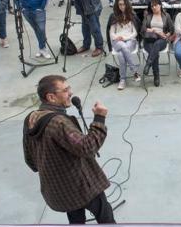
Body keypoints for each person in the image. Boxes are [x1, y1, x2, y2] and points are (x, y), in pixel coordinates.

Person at [23, 75, 115, 224]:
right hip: (81, 186)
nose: (71, 93)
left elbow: (31, 160)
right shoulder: (59, 123)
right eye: (65, 90)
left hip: (60, 190)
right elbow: (87, 147)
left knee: (75, 219)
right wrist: (99, 118)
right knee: (105, 215)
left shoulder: (31, 118)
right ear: (51, 97)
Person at [106, 0, 140, 90]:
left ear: (127, 5)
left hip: (130, 40)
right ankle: (134, 71)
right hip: (117, 41)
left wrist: (125, 38)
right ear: (117, 5)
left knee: (121, 55)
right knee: (123, 47)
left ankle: (123, 80)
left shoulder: (132, 15)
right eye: (120, 4)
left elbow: (135, 32)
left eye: (124, 4)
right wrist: (118, 37)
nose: (122, 6)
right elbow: (111, 33)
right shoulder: (113, 16)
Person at [141, 0, 174, 87]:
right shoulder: (148, 16)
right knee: (154, 51)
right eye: (152, 6)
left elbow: (172, 29)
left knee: (156, 45)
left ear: (160, 5)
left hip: (161, 40)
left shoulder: (166, 16)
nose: (154, 7)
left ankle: (148, 64)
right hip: (149, 39)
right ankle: (156, 75)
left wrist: (166, 35)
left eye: (156, 5)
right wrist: (154, 31)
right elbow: (143, 30)